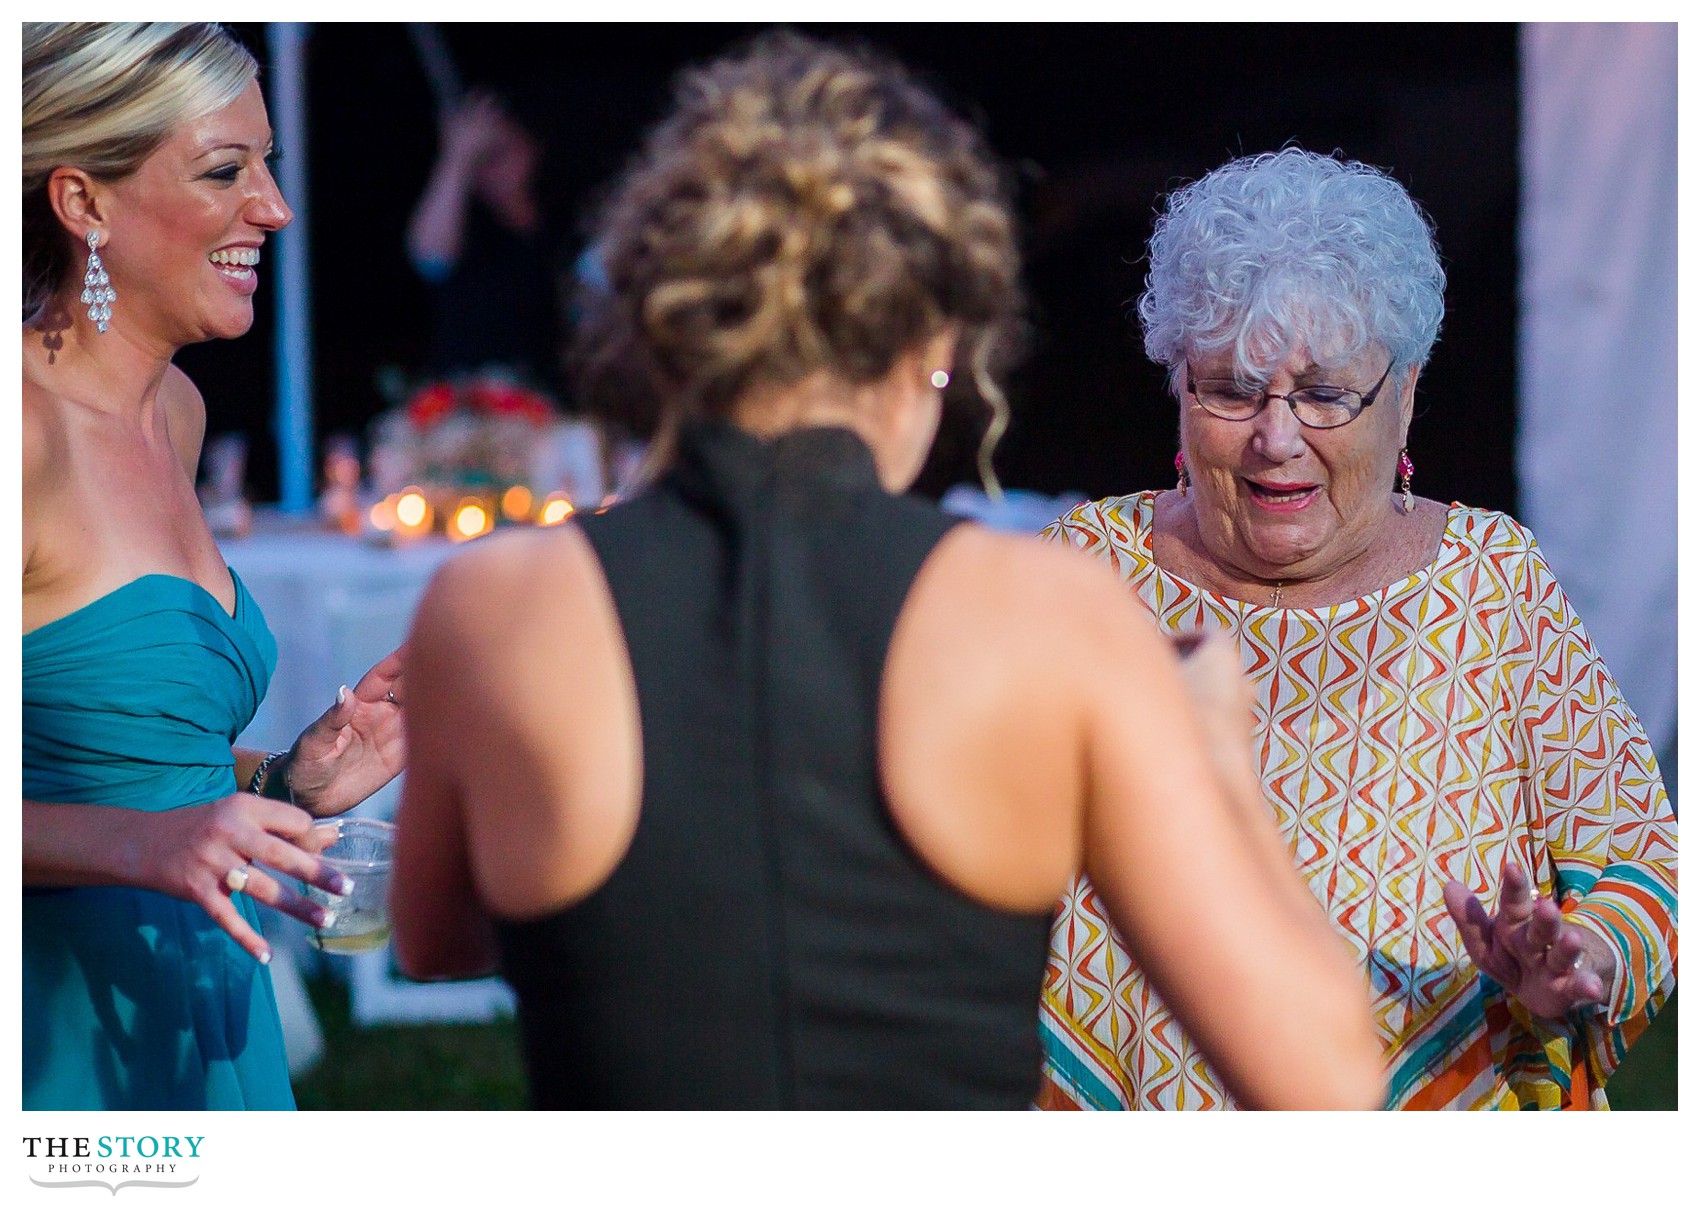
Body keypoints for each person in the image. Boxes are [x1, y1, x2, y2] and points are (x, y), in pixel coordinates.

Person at [390, 33, 1384, 1111]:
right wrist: (1216, 760)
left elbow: (436, 939)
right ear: (937, 336)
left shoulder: (496, 604)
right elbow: (1321, 1083)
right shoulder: (1044, 617)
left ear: (666, 318)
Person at [1038, 147, 1677, 1110]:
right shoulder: (1084, 574)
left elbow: (1646, 862)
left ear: (1407, 390)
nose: (1276, 436)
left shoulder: (1493, 587)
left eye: (1327, 394)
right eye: (1232, 388)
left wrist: (1578, 952)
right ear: (1177, 383)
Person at [23, 23, 405, 1111]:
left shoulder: (174, 413)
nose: (274, 208)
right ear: (84, 205)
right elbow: (141, 820)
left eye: (269, 164)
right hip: (56, 1045)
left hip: (204, 1013)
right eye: (225, 170)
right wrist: (153, 846)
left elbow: (135, 759)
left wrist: (287, 781)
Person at [404, 89, 561, 389]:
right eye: (479, 159)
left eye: (497, 152)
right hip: (470, 404)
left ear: (530, 146)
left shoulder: (561, 221)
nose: (487, 169)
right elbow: (430, 259)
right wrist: (456, 159)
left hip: (548, 403)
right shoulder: (463, 227)